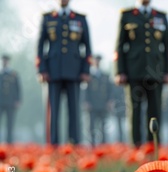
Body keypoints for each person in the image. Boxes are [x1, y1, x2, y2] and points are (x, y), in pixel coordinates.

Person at [114, 0, 168, 147]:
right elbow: (120, 46)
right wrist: (120, 71)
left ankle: (153, 146)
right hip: (134, 71)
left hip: (156, 71)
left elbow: (166, 47)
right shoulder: (127, 15)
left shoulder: (160, 16)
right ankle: (136, 145)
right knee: (134, 111)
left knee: (155, 110)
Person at [36, 0, 92, 145]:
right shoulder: (48, 18)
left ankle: (74, 144)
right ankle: (53, 144)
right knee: (53, 112)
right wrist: (42, 69)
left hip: (75, 72)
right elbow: (40, 46)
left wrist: (86, 70)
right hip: (53, 72)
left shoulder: (80, 19)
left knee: (74, 111)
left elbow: (87, 47)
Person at [83, 55, 113, 146]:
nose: (97, 63)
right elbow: (84, 91)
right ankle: (92, 145)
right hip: (92, 106)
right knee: (91, 127)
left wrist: (110, 101)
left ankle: (103, 145)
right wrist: (85, 102)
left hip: (103, 105)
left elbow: (110, 90)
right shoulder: (88, 76)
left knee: (103, 127)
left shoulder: (105, 76)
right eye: (96, 60)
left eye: (99, 61)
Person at [0, 55, 21, 144]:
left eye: (6, 61)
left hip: (11, 102)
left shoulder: (14, 74)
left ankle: (9, 142)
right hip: (0, 102)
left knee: (10, 124)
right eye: (3, 61)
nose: (4, 62)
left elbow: (18, 88)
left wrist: (18, 100)